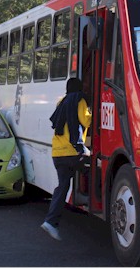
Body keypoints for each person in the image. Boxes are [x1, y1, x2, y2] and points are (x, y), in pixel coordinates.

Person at [41, 77, 92, 241]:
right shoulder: (79, 99)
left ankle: (50, 222)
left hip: (58, 153)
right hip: (73, 152)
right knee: (94, 170)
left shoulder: (61, 102)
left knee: (62, 186)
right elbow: (87, 120)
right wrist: (91, 109)